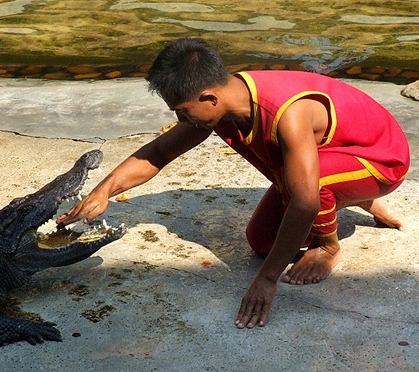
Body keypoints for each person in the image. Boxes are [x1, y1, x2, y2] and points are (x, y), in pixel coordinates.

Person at [56, 38, 410, 329]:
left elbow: (303, 202)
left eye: (181, 111)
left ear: (209, 97)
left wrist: (268, 280)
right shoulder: (226, 100)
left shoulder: (287, 114)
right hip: (330, 154)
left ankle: (330, 243)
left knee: (307, 191)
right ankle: (346, 190)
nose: (180, 119)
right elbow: (159, 153)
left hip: (381, 158)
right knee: (261, 243)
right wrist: (103, 190)